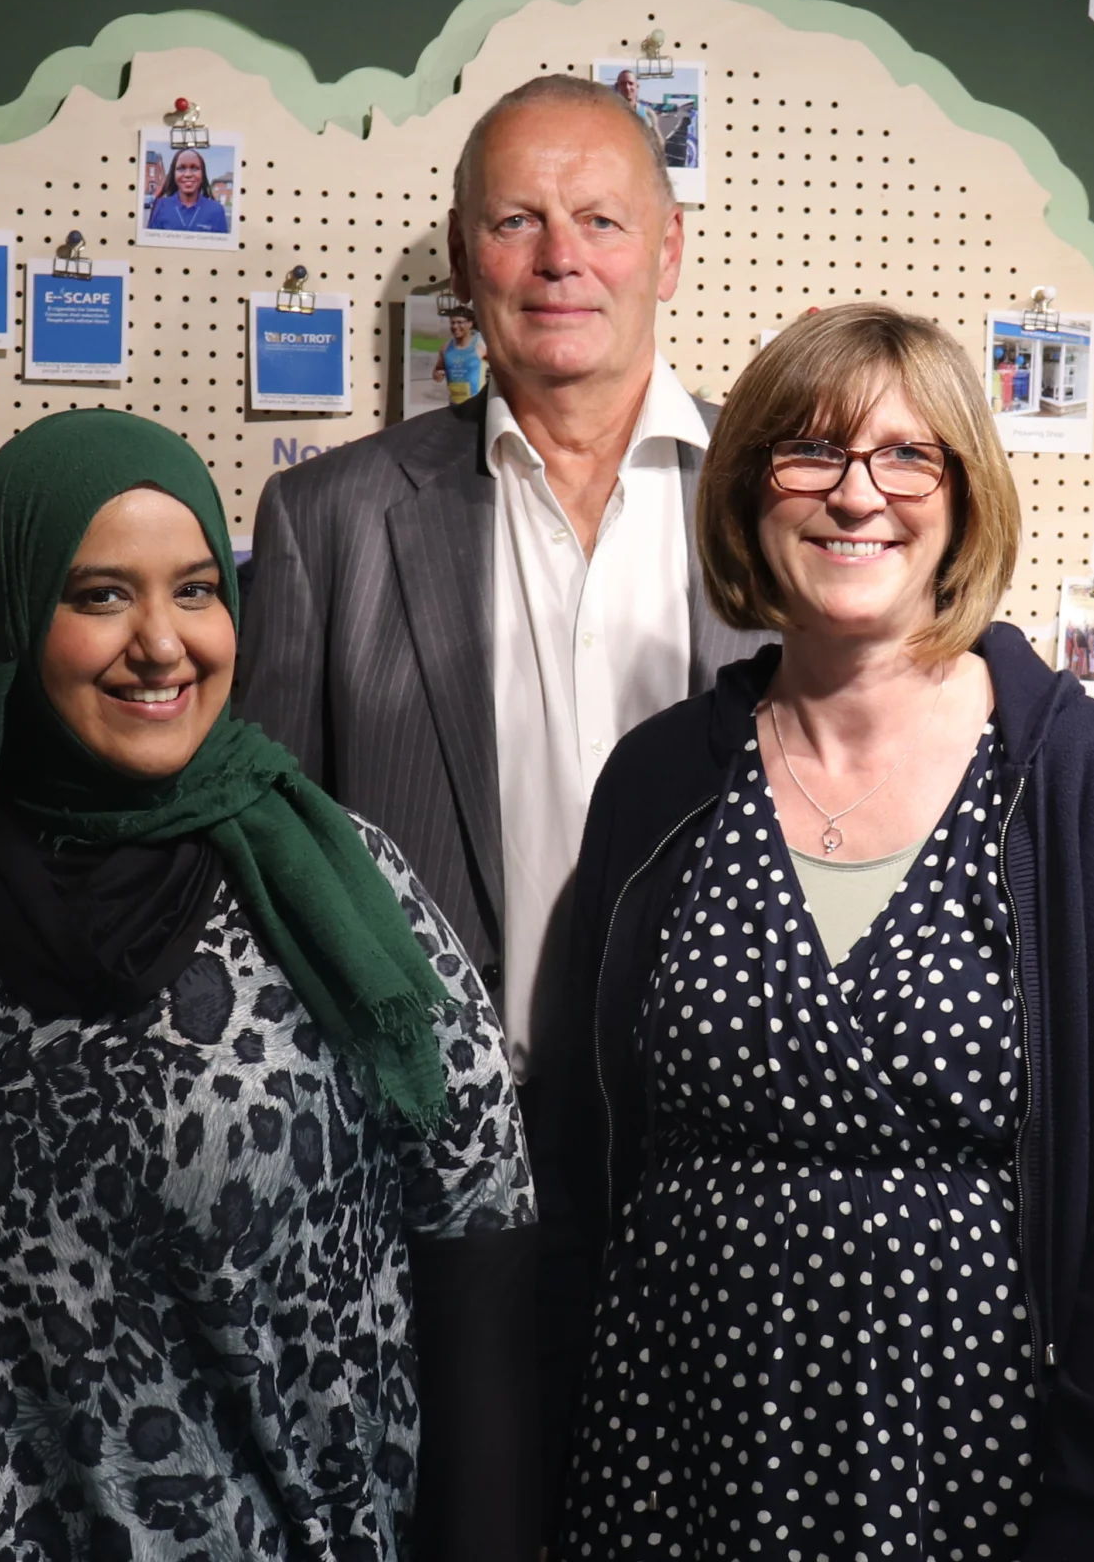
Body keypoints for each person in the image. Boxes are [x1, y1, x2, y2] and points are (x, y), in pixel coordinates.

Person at [530, 303, 1094, 1562]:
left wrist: (1083, 1555)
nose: (859, 490)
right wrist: (555, 1496)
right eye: (814, 449)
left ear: (964, 492)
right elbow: (575, 1160)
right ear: (751, 491)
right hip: (682, 1490)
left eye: (908, 453)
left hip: (976, 1498)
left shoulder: (1071, 772)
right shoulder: (662, 778)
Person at [0, 410, 541, 1562]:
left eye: (196, 589)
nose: (162, 641)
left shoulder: (342, 893)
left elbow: (478, 1240)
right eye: (100, 593)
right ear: (2, 618)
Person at [238, 73, 767, 1082]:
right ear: (459, 254)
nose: (560, 257)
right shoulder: (326, 524)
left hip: (723, 1152)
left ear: (668, 250)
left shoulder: (789, 502)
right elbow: (277, 874)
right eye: (517, 219)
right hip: (438, 1153)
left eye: (601, 220)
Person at [144, 145, 231, 235]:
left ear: (202, 175)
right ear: (174, 175)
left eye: (194, 168)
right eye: (181, 168)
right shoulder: (160, 206)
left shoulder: (216, 210)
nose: (188, 174)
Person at [434, 303, 488, 405]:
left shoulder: (481, 345)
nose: (455, 326)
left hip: (476, 406)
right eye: (452, 323)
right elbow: (437, 371)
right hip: (454, 407)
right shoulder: (445, 348)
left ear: (470, 324)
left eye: (459, 322)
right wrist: (438, 374)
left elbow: (501, 367)